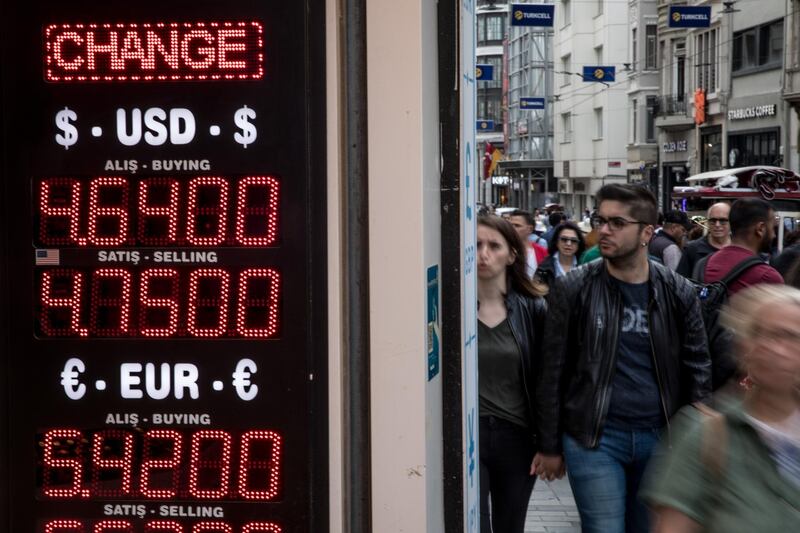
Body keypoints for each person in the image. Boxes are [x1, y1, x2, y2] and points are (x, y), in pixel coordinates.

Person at [532, 184, 711, 533]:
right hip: (594, 438)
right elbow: (551, 369)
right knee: (603, 528)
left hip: (661, 436)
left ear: (646, 232)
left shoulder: (677, 290)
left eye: (617, 222)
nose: (604, 230)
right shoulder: (574, 288)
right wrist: (549, 445)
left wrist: (698, 439)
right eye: (602, 220)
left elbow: (697, 365)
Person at [643, 284, 800, 532]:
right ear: (743, 347)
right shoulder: (706, 435)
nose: (772, 347)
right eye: (758, 333)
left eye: (789, 336)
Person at [476, 215, 549, 533]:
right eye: (476, 245)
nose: (483, 254)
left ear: (512, 254)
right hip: (469, 436)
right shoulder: (452, 307)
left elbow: (548, 380)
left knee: (510, 525)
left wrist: (548, 444)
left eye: (493, 246)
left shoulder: (533, 309)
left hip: (517, 437)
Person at [699, 198, 783, 292]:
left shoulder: (703, 264)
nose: (773, 235)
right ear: (760, 229)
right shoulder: (767, 277)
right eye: (772, 228)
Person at [677, 202, 732, 279]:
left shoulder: (740, 248)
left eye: (723, 221)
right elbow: (681, 281)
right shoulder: (692, 249)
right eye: (713, 220)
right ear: (708, 222)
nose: (717, 225)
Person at [534, 221, 586, 288]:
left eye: (573, 240)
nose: (568, 244)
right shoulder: (544, 267)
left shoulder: (585, 264)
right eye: (564, 239)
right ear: (556, 241)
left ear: (579, 244)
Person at [508, 209, 548, 278]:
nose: (512, 229)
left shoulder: (542, 252)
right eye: (510, 225)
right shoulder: (503, 251)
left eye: (517, 226)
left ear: (530, 229)